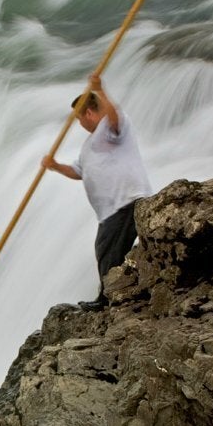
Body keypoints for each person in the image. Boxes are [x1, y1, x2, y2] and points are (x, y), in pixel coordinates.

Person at [41, 73, 152, 311]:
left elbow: (113, 116)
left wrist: (100, 90)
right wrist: (55, 166)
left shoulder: (112, 127)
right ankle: (114, 295)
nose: (80, 124)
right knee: (105, 250)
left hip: (126, 200)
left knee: (109, 251)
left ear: (89, 114)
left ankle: (108, 299)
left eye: (79, 119)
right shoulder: (88, 146)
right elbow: (78, 171)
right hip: (109, 210)